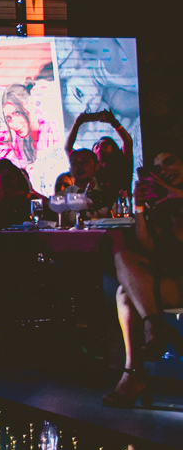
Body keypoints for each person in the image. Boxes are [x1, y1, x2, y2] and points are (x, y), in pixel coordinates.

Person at [103, 148, 183, 407]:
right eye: (157, 169)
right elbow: (147, 247)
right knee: (124, 261)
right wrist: (139, 208)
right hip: (169, 280)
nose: (164, 171)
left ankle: (134, 375)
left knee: (125, 294)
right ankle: (153, 324)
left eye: (169, 162)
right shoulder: (162, 205)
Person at [66, 109, 133, 193]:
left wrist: (114, 122)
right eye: (97, 144)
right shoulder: (88, 170)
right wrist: (77, 123)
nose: (100, 144)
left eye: (106, 144)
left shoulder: (121, 164)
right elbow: (68, 149)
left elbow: (127, 142)